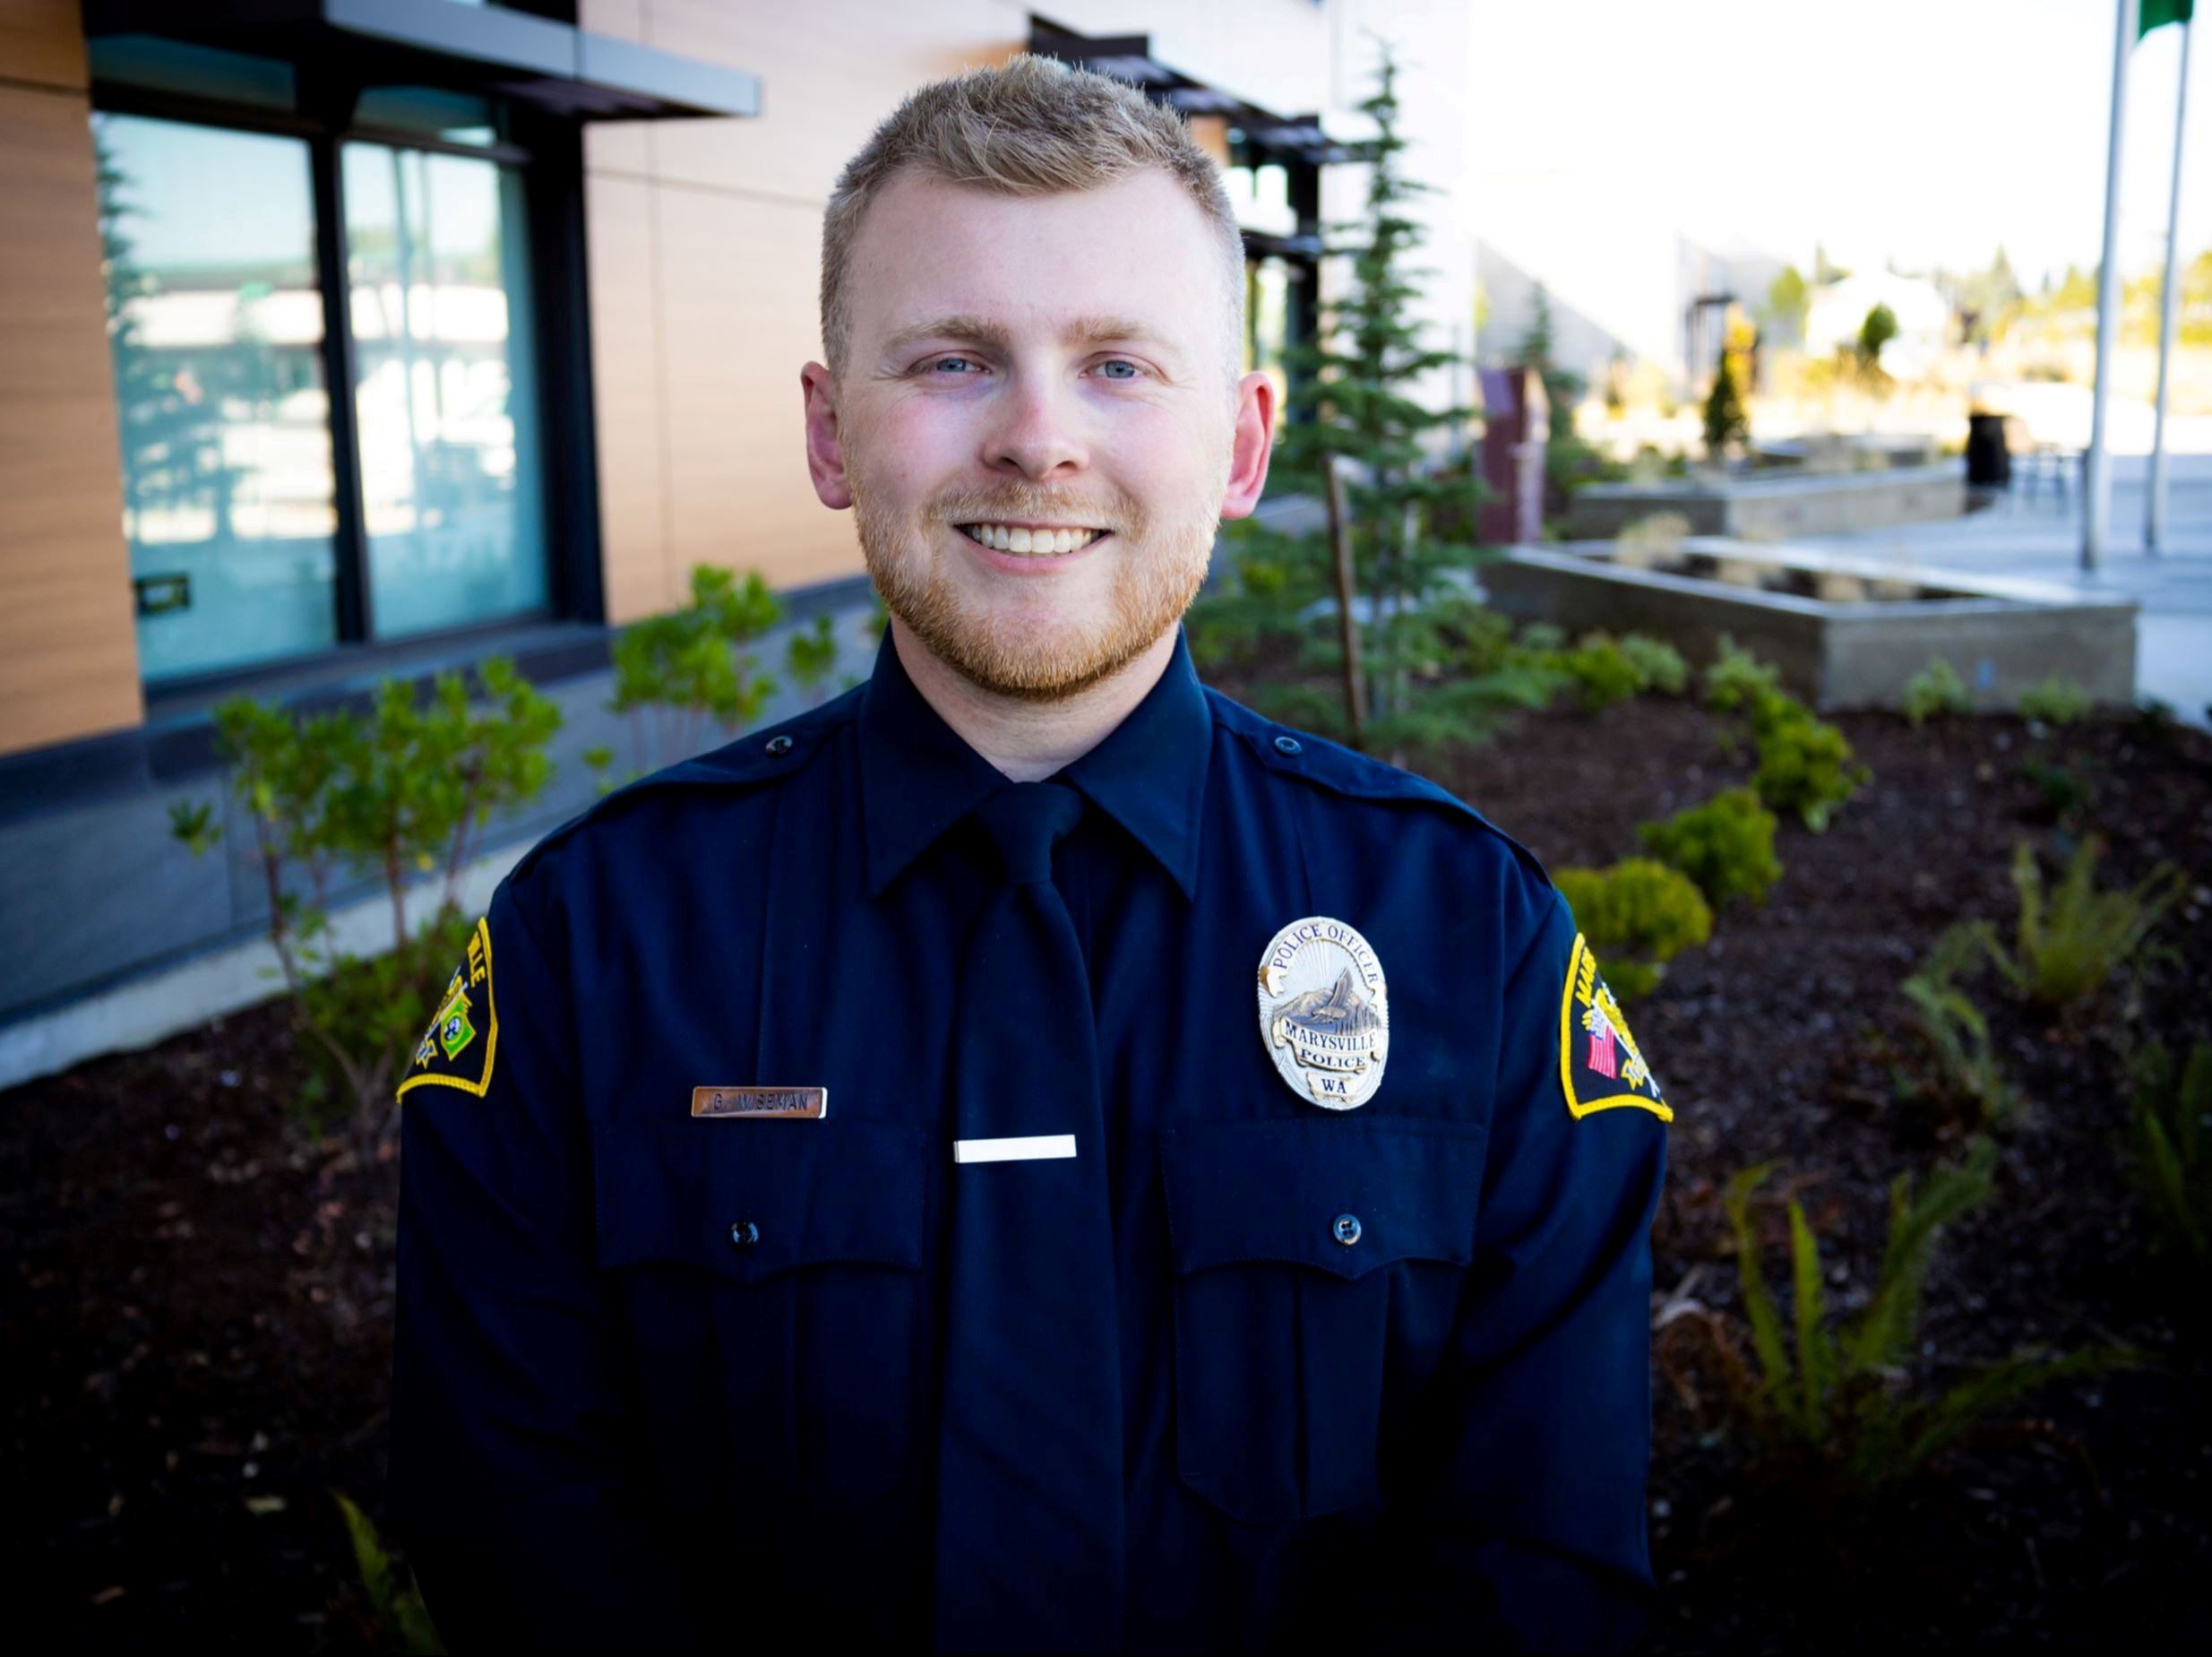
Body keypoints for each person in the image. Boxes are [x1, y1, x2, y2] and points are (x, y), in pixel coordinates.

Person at [390, 54, 1668, 1655]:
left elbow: (1539, 1563)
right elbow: (517, 1536)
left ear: (1243, 445)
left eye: (1121, 365)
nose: (1036, 440)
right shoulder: (594, 950)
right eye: (951, 359)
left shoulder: (1470, 944)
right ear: (829, 433)